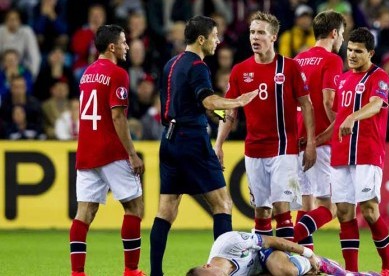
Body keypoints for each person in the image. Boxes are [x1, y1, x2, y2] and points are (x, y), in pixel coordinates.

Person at [150, 15, 258, 276]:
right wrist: (238, 102)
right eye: (214, 35)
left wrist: (224, 116)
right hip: (192, 140)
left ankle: (155, 273)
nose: (218, 40)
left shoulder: (171, 64)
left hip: (169, 139)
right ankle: (222, 271)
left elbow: (188, 103)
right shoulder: (199, 66)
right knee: (223, 205)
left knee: (166, 210)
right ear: (201, 39)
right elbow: (208, 101)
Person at [215, 11, 317, 242]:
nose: (255, 37)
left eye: (261, 32)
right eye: (252, 32)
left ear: (273, 37)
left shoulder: (289, 68)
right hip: (253, 151)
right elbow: (229, 111)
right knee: (261, 212)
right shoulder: (240, 70)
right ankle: (264, 264)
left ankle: (288, 263)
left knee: (282, 210)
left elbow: (307, 106)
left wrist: (310, 143)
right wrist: (218, 144)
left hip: (284, 150)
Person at [69, 24, 145, 276]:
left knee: (84, 213)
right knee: (135, 207)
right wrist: (132, 153)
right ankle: (131, 270)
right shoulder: (117, 73)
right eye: (124, 42)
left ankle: (77, 273)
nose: (126, 46)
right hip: (111, 151)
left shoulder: (86, 73)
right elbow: (118, 117)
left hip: (86, 152)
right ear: (112, 46)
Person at [330, 27, 389, 276]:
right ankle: (351, 272)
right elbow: (338, 118)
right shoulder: (343, 79)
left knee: (369, 211)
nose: (352, 55)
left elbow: (376, 105)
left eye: (358, 51)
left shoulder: (379, 77)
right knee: (345, 213)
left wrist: (352, 118)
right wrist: (315, 139)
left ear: (370, 52)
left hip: (367, 153)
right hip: (340, 154)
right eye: (349, 50)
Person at [292, 10, 346, 250]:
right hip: (320, 142)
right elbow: (327, 100)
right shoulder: (332, 60)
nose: (342, 39)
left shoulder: (297, 59)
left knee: (305, 203)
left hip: (297, 139)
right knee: (331, 206)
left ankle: (303, 261)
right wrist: (341, 124)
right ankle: (284, 242)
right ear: (334, 33)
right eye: (342, 34)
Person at [186, 231, 380, 276]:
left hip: (267, 253)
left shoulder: (230, 243)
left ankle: (321, 261)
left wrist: (307, 253)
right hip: (263, 271)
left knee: (284, 270)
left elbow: (272, 240)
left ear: (207, 266)